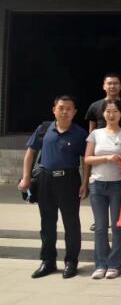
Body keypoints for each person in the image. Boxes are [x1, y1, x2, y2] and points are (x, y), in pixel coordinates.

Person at [18, 95, 87, 279]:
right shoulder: (43, 129)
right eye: (61, 108)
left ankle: (71, 262)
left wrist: (85, 183)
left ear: (75, 112)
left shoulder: (80, 133)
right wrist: (26, 178)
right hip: (45, 180)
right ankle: (48, 261)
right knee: (47, 223)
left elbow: (85, 160)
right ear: (54, 110)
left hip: (69, 180)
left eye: (69, 108)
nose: (64, 112)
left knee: (71, 224)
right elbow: (30, 153)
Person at [84, 99, 121, 280]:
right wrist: (106, 158)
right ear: (103, 114)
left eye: (115, 111)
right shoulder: (95, 134)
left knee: (117, 226)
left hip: (117, 184)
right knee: (100, 227)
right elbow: (87, 159)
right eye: (108, 111)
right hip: (97, 184)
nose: (111, 115)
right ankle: (100, 264)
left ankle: (114, 264)